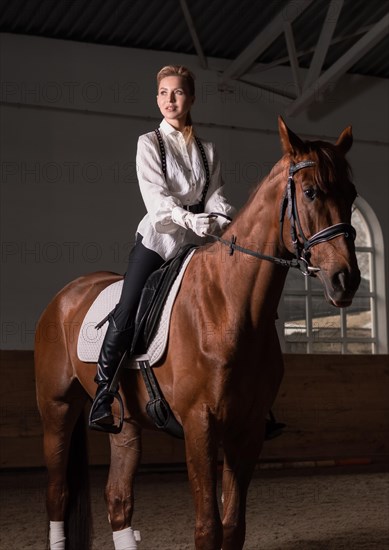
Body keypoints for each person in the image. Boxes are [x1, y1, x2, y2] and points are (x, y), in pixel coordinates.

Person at [89, 65, 234, 432]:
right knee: (129, 303)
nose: (171, 99)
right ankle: (103, 394)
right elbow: (157, 200)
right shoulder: (149, 143)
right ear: (157, 99)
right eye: (164, 93)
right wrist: (190, 219)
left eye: (178, 92)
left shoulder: (209, 150)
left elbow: (216, 196)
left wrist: (219, 218)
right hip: (161, 240)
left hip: (198, 245)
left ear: (191, 98)